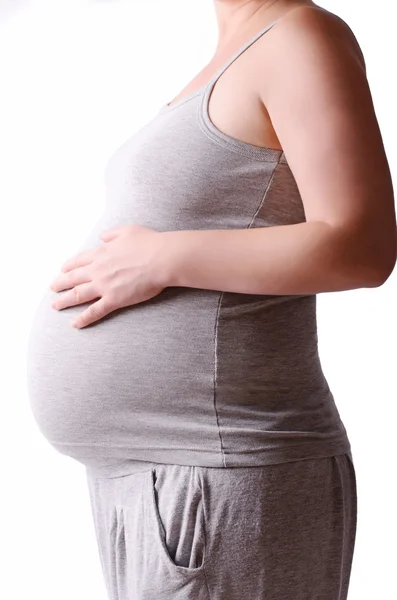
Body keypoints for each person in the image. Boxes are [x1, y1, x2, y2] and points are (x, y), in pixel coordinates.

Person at [26, 0, 396, 599]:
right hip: (153, 476)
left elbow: (362, 246)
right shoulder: (230, 52)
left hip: (225, 466)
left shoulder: (299, 34)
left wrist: (164, 257)